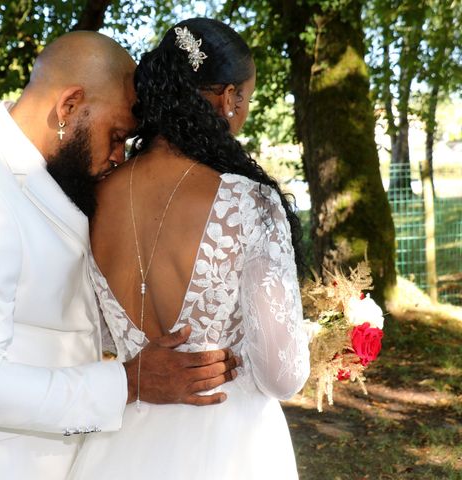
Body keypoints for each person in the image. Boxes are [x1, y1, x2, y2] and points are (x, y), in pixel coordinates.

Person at [0, 31, 239, 480]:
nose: (120, 156)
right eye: (117, 135)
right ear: (68, 106)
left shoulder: (46, 176)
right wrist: (130, 381)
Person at [69, 18, 311, 479]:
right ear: (228, 98)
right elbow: (283, 375)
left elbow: (97, 337)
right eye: (247, 100)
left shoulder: (93, 196)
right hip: (230, 446)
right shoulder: (249, 202)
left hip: (120, 443)